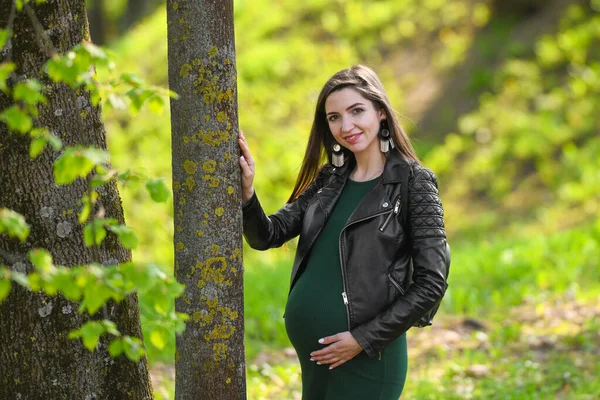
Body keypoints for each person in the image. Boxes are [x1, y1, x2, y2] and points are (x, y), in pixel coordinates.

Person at [239, 65, 450, 400]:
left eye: (356, 111)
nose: (345, 126)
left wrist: (363, 339)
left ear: (381, 112)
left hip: (367, 357)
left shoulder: (413, 182)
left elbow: (432, 283)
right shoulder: (330, 178)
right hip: (317, 359)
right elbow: (269, 235)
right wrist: (248, 194)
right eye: (334, 117)